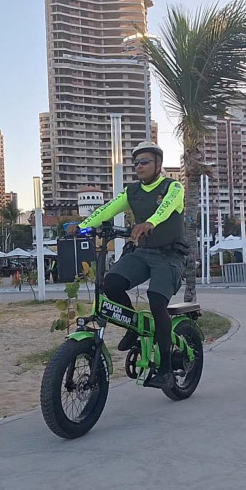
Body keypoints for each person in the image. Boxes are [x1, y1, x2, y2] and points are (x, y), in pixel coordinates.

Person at [67, 141, 187, 389]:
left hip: (169, 256)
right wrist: (82, 226)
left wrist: (150, 223)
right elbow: (107, 210)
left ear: (158, 164)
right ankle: (133, 327)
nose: (139, 166)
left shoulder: (172, 187)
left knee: (156, 300)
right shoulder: (131, 192)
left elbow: (164, 210)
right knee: (111, 283)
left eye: (144, 162)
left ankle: (165, 369)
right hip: (143, 252)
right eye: (136, 162)